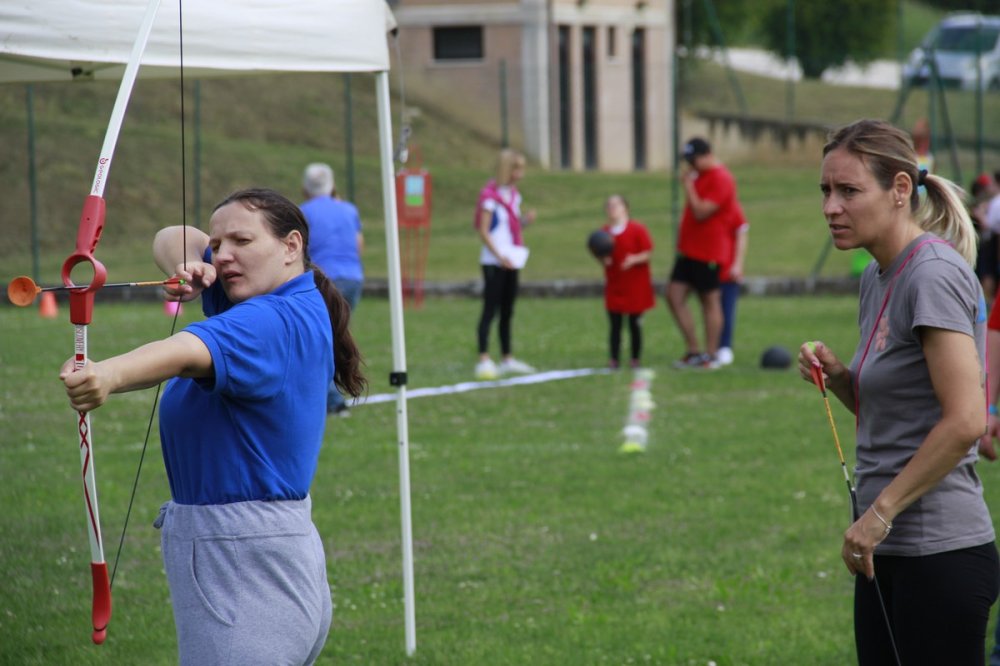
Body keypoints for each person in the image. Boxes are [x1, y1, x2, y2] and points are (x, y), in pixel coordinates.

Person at [60, 188, 366, 665]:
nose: (223, 256)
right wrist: (190, 264)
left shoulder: (269, 319)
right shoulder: (280, 293)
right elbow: (172, 236)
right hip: (270, 562)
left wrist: (107, 375)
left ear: (291, 246)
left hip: (244, 575)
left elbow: (184, 352)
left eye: (241, 241)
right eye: (218, 245)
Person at [798, 119, 997, 665]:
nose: (830, 207)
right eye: (825, 191)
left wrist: (877, 514)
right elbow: (898, 410)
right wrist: (840, 377)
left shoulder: (930, 273)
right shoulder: (878, 275)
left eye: (849, 191)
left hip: (939, 554)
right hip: (884, 552)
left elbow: (965, 421)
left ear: (901, 190)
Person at [666, 137, 740, 370]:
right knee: (673, 295)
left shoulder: (722, 179)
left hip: (709, 251)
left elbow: (701, 212)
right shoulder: (699, 176)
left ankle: (711, 354)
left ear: (708, 155)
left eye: (694, 160)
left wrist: (688, 186)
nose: (690, 166)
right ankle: (693, 350)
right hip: (688, 250)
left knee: (709, 300)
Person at [300, 162, 365, 417]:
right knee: (337, 335)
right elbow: (358, 245)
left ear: (305, 187)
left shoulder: (303, 212)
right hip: (353, 279)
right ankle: (341, 387)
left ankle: (332, 400)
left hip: (324, 280)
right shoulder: (349, 209)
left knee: (320, 339)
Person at [474, 148, 537, 380]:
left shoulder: (514, 195)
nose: (520, 174)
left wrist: (524, 222)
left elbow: (511, 227)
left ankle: (507, 357)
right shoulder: (489, 197)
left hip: (513, 259)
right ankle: (483, 358)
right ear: (506, 170)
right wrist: (500, 257)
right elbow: (484, 230)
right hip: (495, 261)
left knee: (508, 310)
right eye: (516, 169)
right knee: (490, 309)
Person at [594, 194, 655, 369]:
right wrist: (602, 260)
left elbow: (648, 252)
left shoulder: (637, 229)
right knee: (615, 325)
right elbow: (599, 253)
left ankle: (635, 358)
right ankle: (614, 359)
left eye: (616, 205)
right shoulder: (603, 233)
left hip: (635, 285)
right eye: (609, 205)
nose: (612, 208)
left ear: (625, 208)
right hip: (615, 285)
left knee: (635, 324)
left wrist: (634, 259)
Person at [716, 201, 749, 366]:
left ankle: (724, 346)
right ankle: (710, 347)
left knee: (726, 310)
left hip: (727, 271)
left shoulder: (732, 208)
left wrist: (737, 264)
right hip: (707, 268)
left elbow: (742, 234)